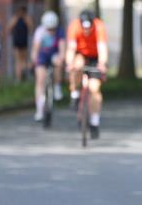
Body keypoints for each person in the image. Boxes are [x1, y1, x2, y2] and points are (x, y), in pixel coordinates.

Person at [66, 10, 109, 139]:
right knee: (76, 65)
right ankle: (75, 94)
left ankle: (94, 122)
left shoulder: (99, 27)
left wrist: (102, 64)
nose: (86, 31)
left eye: (89, 28)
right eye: (84, 28)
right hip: (80, 54)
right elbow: (71, 48)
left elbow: (102, 48)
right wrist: (69, 64)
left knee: (95, 89)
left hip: (95, 57)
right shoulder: (74, 26)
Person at [32, 11, 65, 121]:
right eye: (49, 29)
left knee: (58, 62)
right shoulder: (40, 32)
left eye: (53, 29)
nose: (51, 31)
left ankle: (57, 86)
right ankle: (39, 109)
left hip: (54, 54)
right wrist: (34, 60)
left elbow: (62, 48)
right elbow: (35, 48)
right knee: (40, 80)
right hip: (42, 55)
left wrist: (61, 58)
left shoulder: (60, 32)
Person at [7, 6, 32, 82]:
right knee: (18, 61)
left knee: (23, 60)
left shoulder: (27, 18)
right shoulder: (15, 19)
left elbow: (31, 28)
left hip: (24, 42)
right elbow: (9, 28)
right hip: (17, 42)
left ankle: (24, 74)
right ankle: (19, 77)